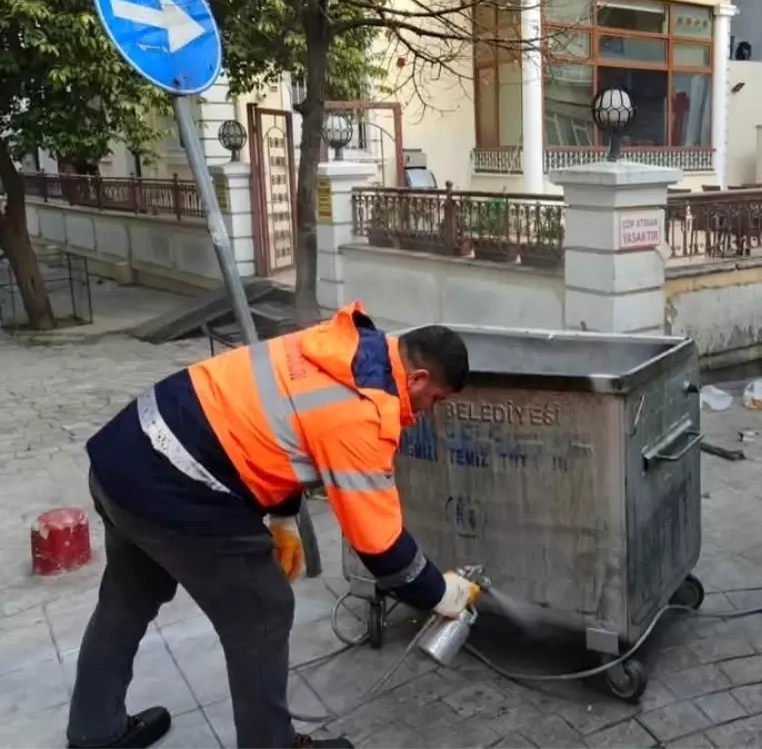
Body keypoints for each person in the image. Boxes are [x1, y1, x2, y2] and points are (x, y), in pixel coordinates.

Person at [66, 302, 477, 749]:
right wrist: (441, 593)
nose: (427, 412)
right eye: (434, 400)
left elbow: (280, 423)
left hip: (125, 455)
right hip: (181, 487)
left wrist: (282, 516)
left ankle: (94, 731)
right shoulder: (363, 413)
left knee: (126, 600)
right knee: (264, 610)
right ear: (416, 378)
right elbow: (379, 544)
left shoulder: (340, 344)